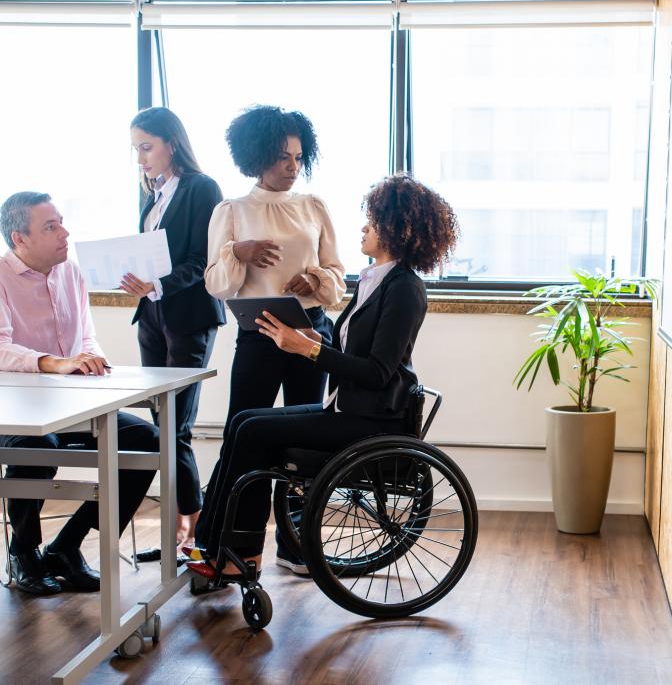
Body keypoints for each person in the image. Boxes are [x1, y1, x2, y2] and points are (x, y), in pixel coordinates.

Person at [187, 174, 459, 579]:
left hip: (370, 419)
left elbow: (378, 372)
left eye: (373, 221)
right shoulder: (374, 282)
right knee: (243, 422)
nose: (364, 228)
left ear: (397, 230)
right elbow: (357, 351)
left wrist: (308, 349)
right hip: (349, 409)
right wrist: (310, 336)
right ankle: (213, 544)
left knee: (254, 431)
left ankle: (238, 555)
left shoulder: (405, 289)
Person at [197, 105, 346, 573]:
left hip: (309, 336)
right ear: (256, 157)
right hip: (259, 339)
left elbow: (339, 281)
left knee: (305, 447)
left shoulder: (313, 206)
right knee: (244, 439)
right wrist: (236, 252)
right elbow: (218, 285)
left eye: (299, 157)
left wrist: (315, 278)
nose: (292, 166)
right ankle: (238, 546)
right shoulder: (232, 212)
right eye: (282, 157)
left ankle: (295, 543)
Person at [0, 191, 159, 596]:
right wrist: (51, 362)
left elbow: (86, 335)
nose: (64, 233)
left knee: (146, 441)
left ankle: (65, 547)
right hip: (14, 412)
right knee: (39, 443)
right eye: (50, 227)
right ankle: (23, 552)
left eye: (61, 222)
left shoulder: (70, 272)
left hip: (72, 404)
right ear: (20, 239)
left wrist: (93, 361)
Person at [122, 107, 225, 557]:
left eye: (146, 147)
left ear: (172, 143)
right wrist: (138, 282)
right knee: (162, 425)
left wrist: (159, 284)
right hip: (152, 317)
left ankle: (196, 534)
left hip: (188, 317)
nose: (141, 158)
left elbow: (205, 260)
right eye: (136, 150)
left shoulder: (202, 188)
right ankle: (180, 534)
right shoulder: (153, 194)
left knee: (175, 428)